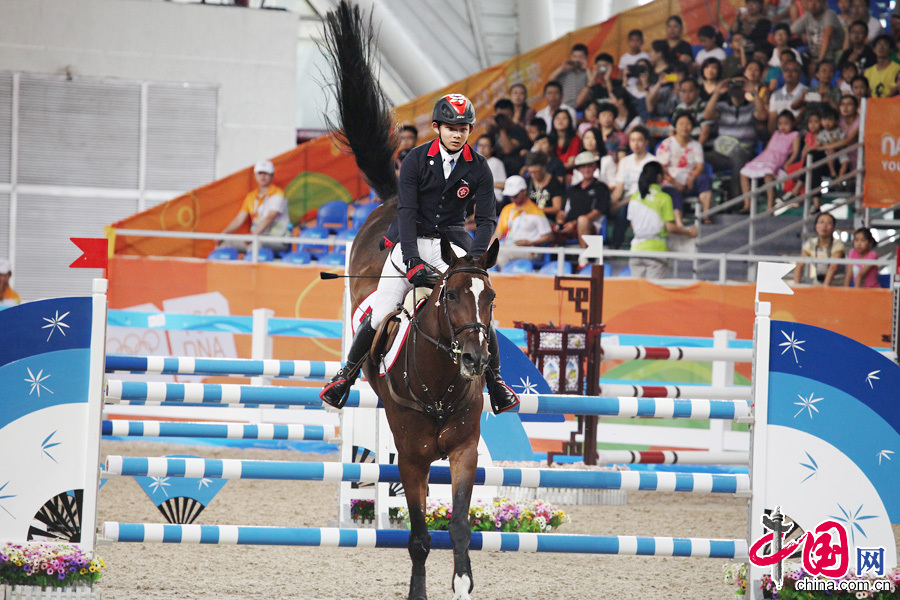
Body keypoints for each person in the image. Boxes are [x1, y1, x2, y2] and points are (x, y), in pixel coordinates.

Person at [320, 94, 519, 414]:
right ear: (438, 128)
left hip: (451, 246)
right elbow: (406, 212)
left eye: (464, 128)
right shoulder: (415, 159)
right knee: (383, 310)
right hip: (410, 241)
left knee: (477, 311)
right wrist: (411, 261)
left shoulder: (478, 166)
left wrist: (476, 261)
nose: (458, 134)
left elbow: (486, 220)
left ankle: (495, 383)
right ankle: (346, 376)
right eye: (451, 127)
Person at [626, 161, 696, 279]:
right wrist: (689, 232)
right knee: (653, 294)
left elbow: (632, 224)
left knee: (638, 292)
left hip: (635, 250)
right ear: (659, 177)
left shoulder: (634, 197)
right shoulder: (664, 198)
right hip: (656, 251)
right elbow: (670, 227)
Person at [703, 76, 767, 201]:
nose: (736, 88)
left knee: (737, 159)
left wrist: (753, 92)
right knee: (699, 158)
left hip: (744, 152)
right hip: (721, 154)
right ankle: (704, 201)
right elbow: (707, 115)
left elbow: (762, 116)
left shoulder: (751, 106)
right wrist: (717, 92)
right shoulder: (721, 106)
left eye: (740, 85)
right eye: (733, 85)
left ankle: (737, 202)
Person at [219, 160, 290, 254]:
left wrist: (253, 235)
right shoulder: (251, 196)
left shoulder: (278, 193)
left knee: (255, 244)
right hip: (256, 236)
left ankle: (251, 268)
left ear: (272, 176)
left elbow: (270, 217)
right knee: (224, 243)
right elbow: (239, 220)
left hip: (277, 239)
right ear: (255, 175)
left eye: (266, 173)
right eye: (260, 173)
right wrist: (223, 234)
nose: (263, 176)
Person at [656, 112, 714, 224]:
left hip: (689, 183)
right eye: (681, 123)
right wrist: (675, 183)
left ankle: (706, 216)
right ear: (675, 126)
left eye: (688, 124)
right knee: (674, 194)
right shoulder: (667, 144)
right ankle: (679, 224)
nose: (685, 127)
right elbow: (661, 168)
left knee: (704, 180)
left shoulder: (696, 145)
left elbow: (700, 166)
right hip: (671, 183)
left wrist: (691, 178)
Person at [739, 110, 801, 211]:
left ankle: (770, 203)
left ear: (793, 123)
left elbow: (795, 152)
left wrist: (788, 162)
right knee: (743, 173)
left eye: (786, 123)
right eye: (780, 124)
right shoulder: (776, 133)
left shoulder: (795, 135)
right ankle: (747, 203)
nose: (783, 127)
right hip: (765, 157)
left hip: (776, 160)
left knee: (768, 173)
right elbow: (767, 148)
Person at [556, 152, 612, 258]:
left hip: (591, 225)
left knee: (583, 220)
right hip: (569, 226)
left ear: (595, 167)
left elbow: (597, 212)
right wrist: (560, 222)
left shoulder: (601, 187)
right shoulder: (572, 189)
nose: (586, 169)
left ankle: (584, 259)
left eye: (589, 166)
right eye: (583, 166)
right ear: (578, 169)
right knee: (549, 227)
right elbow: (562, 211)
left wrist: (574, 223)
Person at [610, 126, 658, 248]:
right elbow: (619, 186)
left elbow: (646, 190)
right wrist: (612, 203)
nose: (636, 143)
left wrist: (620, 204)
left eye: (639, 140)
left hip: (644, 199)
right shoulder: (625, 161)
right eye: (632, 140)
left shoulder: (652, 162)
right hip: (626, 198)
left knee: (623, 209)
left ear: (646, 142)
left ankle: (615, 245)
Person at [491, 175, 554, 268]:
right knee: (487, 254)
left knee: (501, 254)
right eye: (510, 196)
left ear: (524, 191)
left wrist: (530, 242)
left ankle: (504, 280)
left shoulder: (536, 211)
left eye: (515, 196)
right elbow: (498, 234)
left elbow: (549, 236)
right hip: (508, 246)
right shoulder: (507, 209)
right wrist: (488, 248)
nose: (512, 198)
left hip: (530, 249)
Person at [791, 0, 845, 76]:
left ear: (823, 3)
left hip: (832, 53)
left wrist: (820, 59)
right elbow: (791, 32)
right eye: (810, 2)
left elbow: (827, 35)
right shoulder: (807, 15)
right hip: (814, 53)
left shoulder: (829, 14)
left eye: (816, 2)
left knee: (815, 67)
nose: (813, 5)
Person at [793, 212, 845, 286]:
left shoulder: (838, 245)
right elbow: (799, 265)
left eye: (829, 223)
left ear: (833, 228)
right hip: (819, 281)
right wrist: (796, 287)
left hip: (837, 283)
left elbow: (833, 268)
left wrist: (824, 289)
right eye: (821, 222)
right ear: (816, 226)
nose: (824, 226)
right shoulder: (811, 243)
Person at [490, 98, 531, 177]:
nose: (503, 118)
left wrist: (502, 129)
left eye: (505, 115)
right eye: (500, 115)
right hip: (497, 172)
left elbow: (507, 149)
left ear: (512, 114)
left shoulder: (519, 130)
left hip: (514, 172)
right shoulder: (494, 129)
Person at [524, 151, 565, 223]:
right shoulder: (528, 182)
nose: (533, 175)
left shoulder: (554, 183)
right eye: (530, 172)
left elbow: (557, 208)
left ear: (543, 168)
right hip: (529, 218)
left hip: (547, 219)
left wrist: (536, 210)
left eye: (536, 172)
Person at [547, 44, 591, 108]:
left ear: (586, 58)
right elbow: (550, 80)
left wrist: (587, 68)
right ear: (571, 57)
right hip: (565, 106)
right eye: (574, 56)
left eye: (580, 57)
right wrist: (562, 67)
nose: (577, 59)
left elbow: (593, 83)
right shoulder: (566, 71)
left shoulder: (588, 73)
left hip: (582, 108)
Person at [769, 60, 807, 132]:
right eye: (786, 70)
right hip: (781, 134)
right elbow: (772, 120)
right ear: (782, 73)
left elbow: (800, 117)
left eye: (794, 70)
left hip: (800, 133)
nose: (789, 73)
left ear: (800, 74)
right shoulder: (775, 95)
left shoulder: (806, 92)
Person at [475, 135, 507, 204]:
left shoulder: (497, 163)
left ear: (492, 149)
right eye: (480, 145)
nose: (482, 148)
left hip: (492, 198)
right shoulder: (472, 162)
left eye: (486, 146)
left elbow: (504, 185)